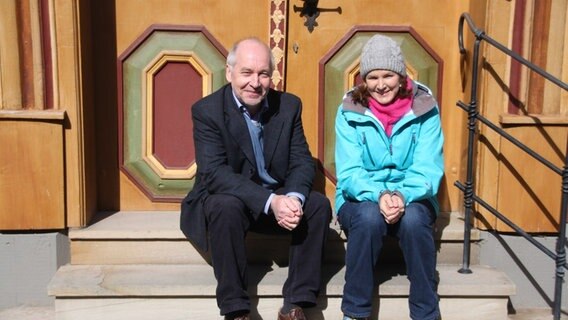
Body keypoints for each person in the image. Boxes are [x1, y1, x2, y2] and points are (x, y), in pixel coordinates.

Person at [180, 37, 332, 320]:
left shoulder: (288, 106)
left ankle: (295, 304)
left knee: (318, 205)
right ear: (229, 72)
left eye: (263, 73)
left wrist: (294, 199)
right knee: (225, 206)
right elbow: (214, 174)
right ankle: (236, 309)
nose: (255, 82)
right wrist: (270, 201)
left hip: (275, 200)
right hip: (233, 202)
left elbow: (301, 160)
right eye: (247, 73)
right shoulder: (207, 111)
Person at [334, 34, 444, 320]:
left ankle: (425, 312)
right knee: (369, 218)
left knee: (415, 220)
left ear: (401, 75)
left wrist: (402, 195)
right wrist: (380, 195)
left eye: (388, 75)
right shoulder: (349, 111)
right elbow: (348, 172)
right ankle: (355, 313)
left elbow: (428, 168)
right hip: (361, 196)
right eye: (372, 77)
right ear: (363, 79)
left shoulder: (425, 108)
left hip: (414, 194)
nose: (381, 85)